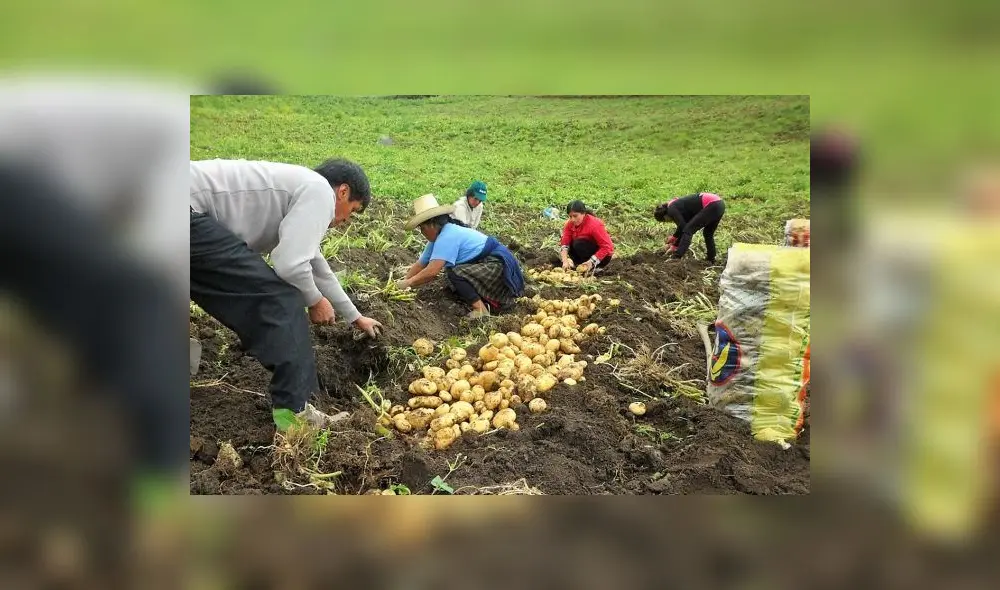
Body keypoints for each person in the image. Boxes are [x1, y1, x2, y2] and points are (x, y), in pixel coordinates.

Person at [190, 158, 384, 433]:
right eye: (351, 211)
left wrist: (355, 317)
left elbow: (316, 266)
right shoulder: (319, 190)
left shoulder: (301, 186)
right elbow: (290, 265)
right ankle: (295, 416)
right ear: (343, 191)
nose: (344, 222)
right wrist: (314, 301)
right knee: (283, 300)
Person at [397, 194, 524, 319]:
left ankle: (481, 309)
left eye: (423, 228)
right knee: (453, 274)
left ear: (432, 224)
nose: (422, 232)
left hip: (497, 265)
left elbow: (432, 271)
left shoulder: (447, 236)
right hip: (486, 262)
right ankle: (480, 300)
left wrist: (409, 283)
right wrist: (402, 283)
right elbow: (421, 264)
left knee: (454, 273)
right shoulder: (438, 238)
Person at [653, 192, 726, 264]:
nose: (668, 222)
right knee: (708, 233)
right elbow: (683, 226)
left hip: (712, 204)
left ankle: (676, 257)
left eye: (665, 221)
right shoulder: (678, 207)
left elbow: (683, 227)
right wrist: (674, 238)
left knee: (688, 230)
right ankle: (711, 259)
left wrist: (675, 245)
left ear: (665, 216)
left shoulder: (671, 209)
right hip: (719, 204)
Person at [560, 200, 615, 273]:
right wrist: (564, 261)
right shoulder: (570, 224)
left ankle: (594, 267)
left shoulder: (594, 225)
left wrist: (591, 262)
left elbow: (607, 246)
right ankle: (580, 265)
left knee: (579, 243)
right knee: (571, 244)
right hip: (583, 253)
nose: (572, 219)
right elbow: (565, 243)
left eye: (575, 216)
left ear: (583, 213)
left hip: (602, 257)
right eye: (570, 216)